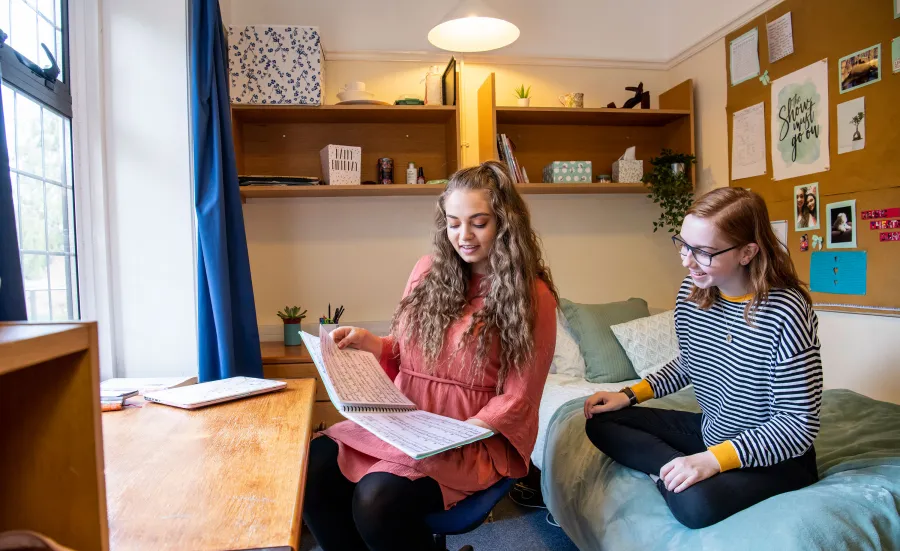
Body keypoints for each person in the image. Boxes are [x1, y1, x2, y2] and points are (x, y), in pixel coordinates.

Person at [302, 160, 559, 551]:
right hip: (406, 420)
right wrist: (373, 343)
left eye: (479, 222)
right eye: (453, 223)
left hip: (470, 439)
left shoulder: (533, 296)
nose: (464, 236)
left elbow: (519, 397)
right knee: (313, 466)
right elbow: (407, 352)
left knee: (377, 500)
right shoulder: (426, 272)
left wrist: (461, 431)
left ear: (506, 224)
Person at [583, 187, 823, 529]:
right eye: (683, 244)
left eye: (703, 252)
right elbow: (691, 361)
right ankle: (676, 470)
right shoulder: (692, 292)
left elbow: (798, 425)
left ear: (747, 252)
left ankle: (676, 476)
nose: (686, 260)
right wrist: (629, 395)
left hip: (775, 459)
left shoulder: (786, 311)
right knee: (601, 421)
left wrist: (712, 462)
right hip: (715, 435)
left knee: (694, 505)